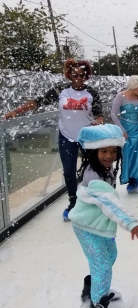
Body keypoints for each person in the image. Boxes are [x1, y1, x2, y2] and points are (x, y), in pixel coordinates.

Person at [4, 59, 105, 221]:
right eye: (75, 75)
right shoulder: (61, 91)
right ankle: (73, 203)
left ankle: (93, 200)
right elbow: (38, 102)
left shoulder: (91, 93)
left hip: (87, 136)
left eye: (82, 75)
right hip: (66, 137)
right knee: (69, 171)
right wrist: (17, 111)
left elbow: (99, 114)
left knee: (92, 169)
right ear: (69, 75)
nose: (79, 77)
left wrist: (99, 121)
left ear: (87, 76)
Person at [70, 124, 138, 308]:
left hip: (98, 225)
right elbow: (110, 203)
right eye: (103, 151)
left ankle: (93, 288)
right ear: (93, 151)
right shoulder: (94, 176)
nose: (109, 156)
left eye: (113, 151)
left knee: (108, 257)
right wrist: (131, 222)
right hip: (86, 227)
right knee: (103, 265)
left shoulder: (103, 168)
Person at [111, 76, 138, 194]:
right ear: (133, 87)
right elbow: (113, 114)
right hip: (127, 131)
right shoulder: (120, 96)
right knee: (129, 156)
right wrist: (122, 130)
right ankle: (131, 181)